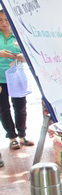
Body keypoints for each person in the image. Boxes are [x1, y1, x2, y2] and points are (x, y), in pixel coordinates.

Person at [0, 9, 32, 152]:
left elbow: (29, 56)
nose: (4, 23)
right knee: (3, 109)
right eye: (0, 20)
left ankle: (22, 136)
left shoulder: (18, 35)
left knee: (20, 107)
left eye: (6, 20)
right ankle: (12, 138)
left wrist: (21, 56)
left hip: (17, 76)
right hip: (0, 79)